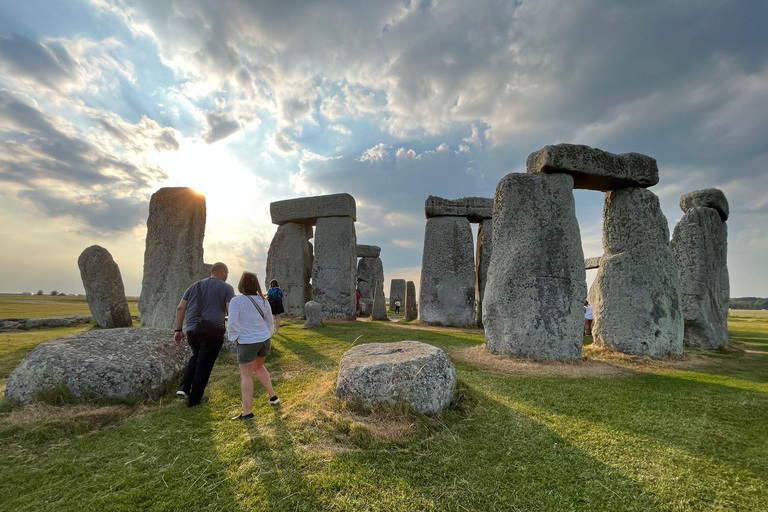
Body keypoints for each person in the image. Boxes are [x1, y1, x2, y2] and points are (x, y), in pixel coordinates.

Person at [174, 262, 235, 407]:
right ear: (222, 272)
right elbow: (230, 309)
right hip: (212, 330)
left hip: (191, 329)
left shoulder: (194, 286)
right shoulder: (226, 288)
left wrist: (178, 330)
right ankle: (194, 400)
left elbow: (180, 308)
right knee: (204, 364)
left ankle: (183, 388)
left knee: (196, 356)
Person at [229, 271, 279, 421]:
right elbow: (270, 322)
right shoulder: (264, 301)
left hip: (247, 341)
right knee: (258, 367)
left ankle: (247, 412)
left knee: (246, 374)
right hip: (264, 340)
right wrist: (266, 334)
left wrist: (234, 338)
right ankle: (273, 396)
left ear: (241, 285)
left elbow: (232, 323)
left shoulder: (236, 301)